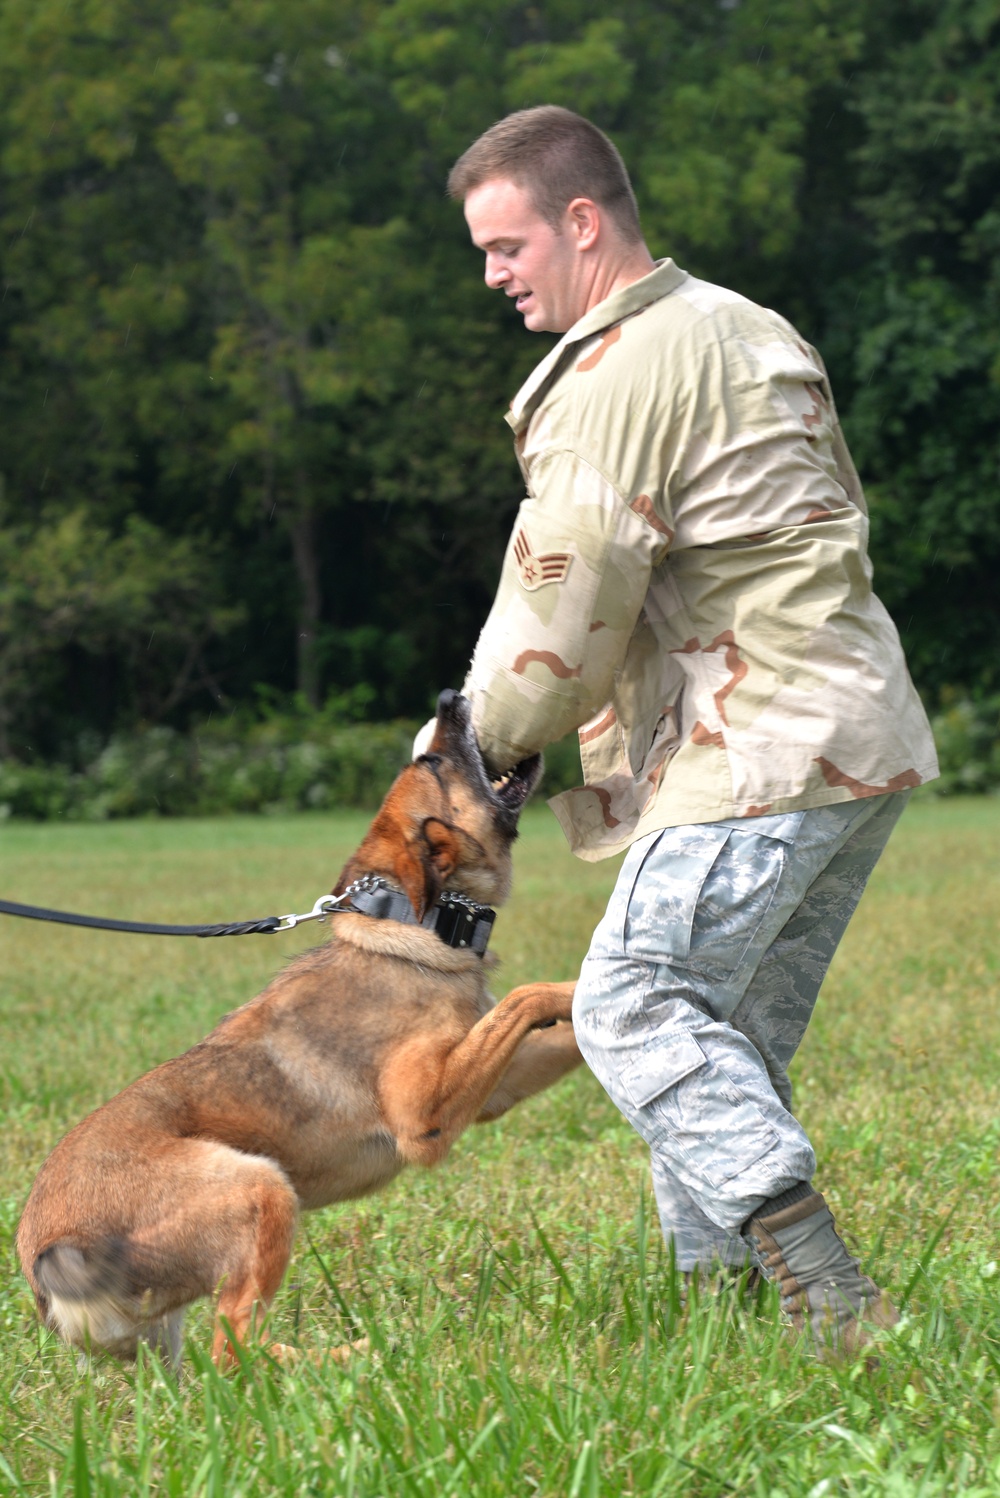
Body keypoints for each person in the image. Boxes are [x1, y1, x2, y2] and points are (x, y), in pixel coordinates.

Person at [437, 105, 939, 1353]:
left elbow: (565, 607)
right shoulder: (739, 323)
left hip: (758, 739)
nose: (494, 275)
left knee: (629, 1005)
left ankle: (830, 1296)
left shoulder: (619, 373)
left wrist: (481, 742)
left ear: (582, 221)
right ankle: (716, 1313)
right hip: (852, 731)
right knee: (723, 1037)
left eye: (507, 246)